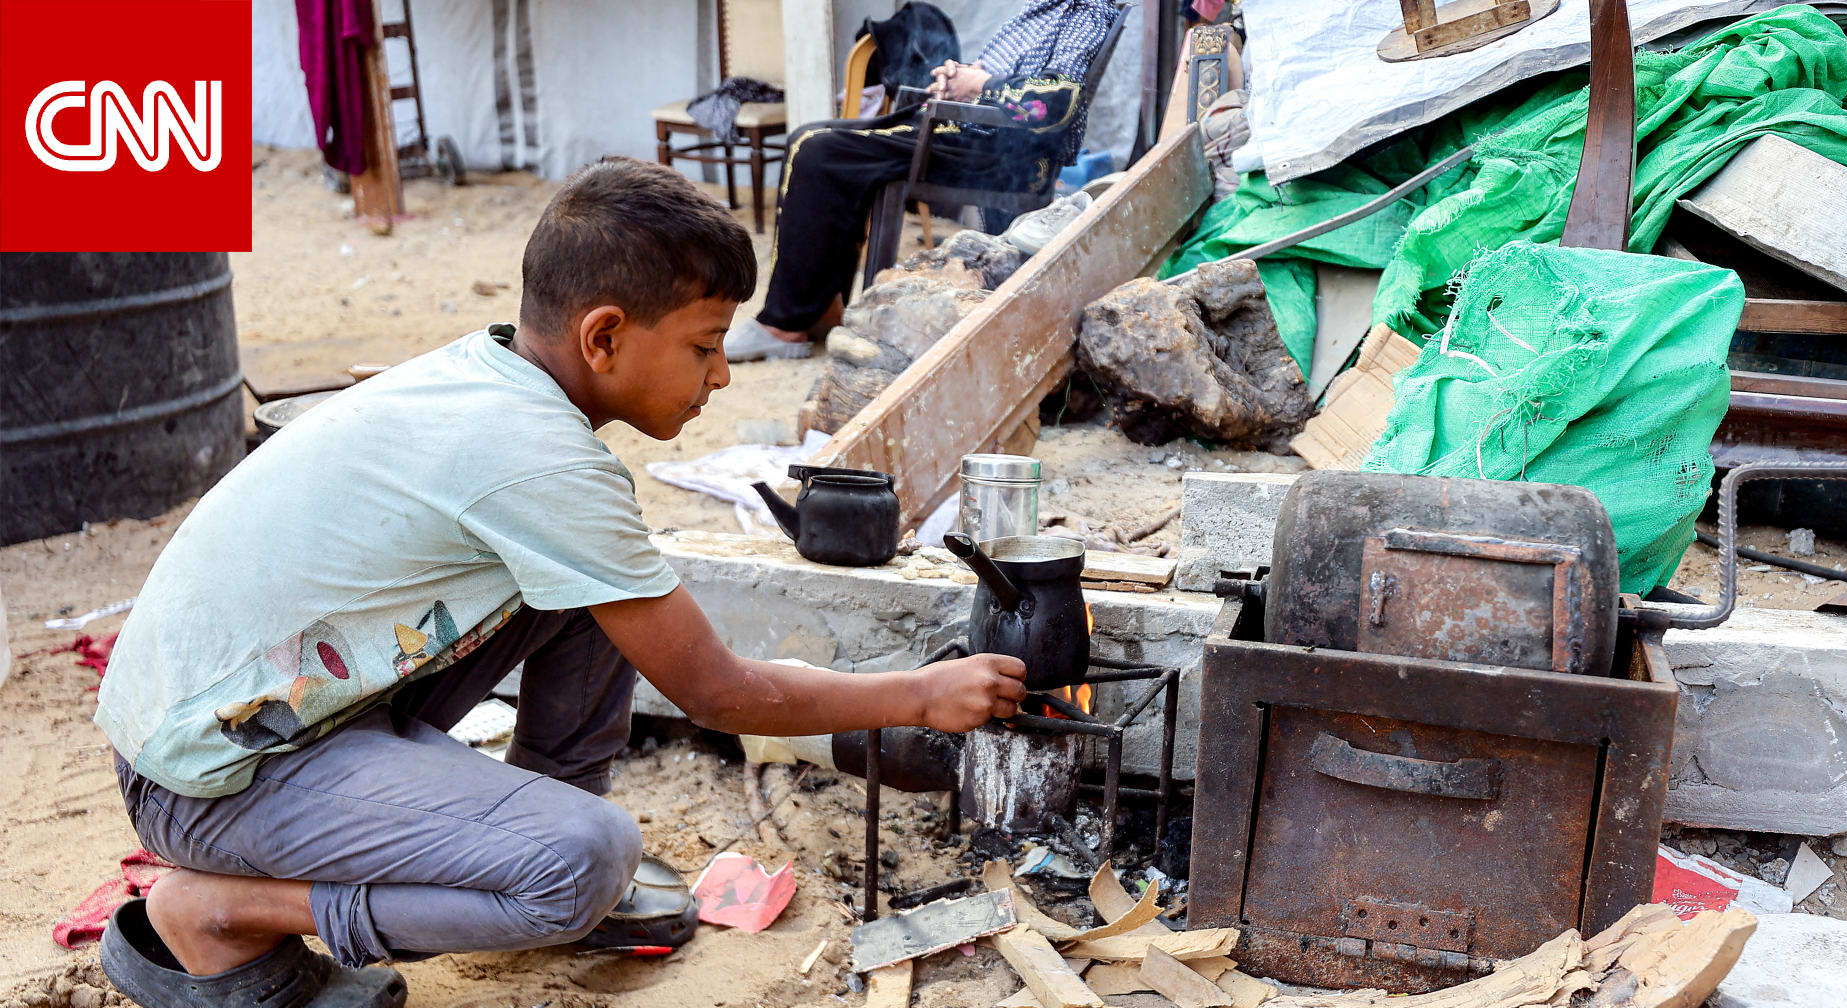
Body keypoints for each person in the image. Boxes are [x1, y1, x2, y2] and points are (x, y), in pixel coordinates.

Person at [92, 157, 1027, 1007]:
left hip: (242, 718)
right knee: (585, 860)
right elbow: (716, 692)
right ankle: (222, 912)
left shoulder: (489, 374)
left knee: (597, 596)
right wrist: (916, 693)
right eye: (704, 346)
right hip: (212, 780)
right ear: (605, 336)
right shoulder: (541, 459)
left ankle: (517, 842)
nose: (720, 378)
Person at [725, 0, 1123, 362]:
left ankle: (783, 324)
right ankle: (819, 306)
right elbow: (1008, 79)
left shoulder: (1082, 13)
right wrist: (961, 78)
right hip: (969, 134)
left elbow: (1057, 105)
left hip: (988, 151)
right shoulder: (1047, 8)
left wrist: (977, 85)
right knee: (814, 145)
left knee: (816, 150)